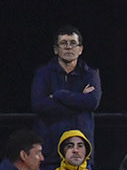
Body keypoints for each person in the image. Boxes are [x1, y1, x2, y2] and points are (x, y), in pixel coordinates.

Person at [31, 27, 101, 160]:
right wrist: (79, 101)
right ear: (56, 49)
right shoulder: (43, 73)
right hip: (49, 151)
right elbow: (39, 105)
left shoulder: (91, 74)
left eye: (73, 43)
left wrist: (59, 95)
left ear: (80, 49)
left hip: (81, 153)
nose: (69, 47)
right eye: (63, 43)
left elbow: (91, 102)